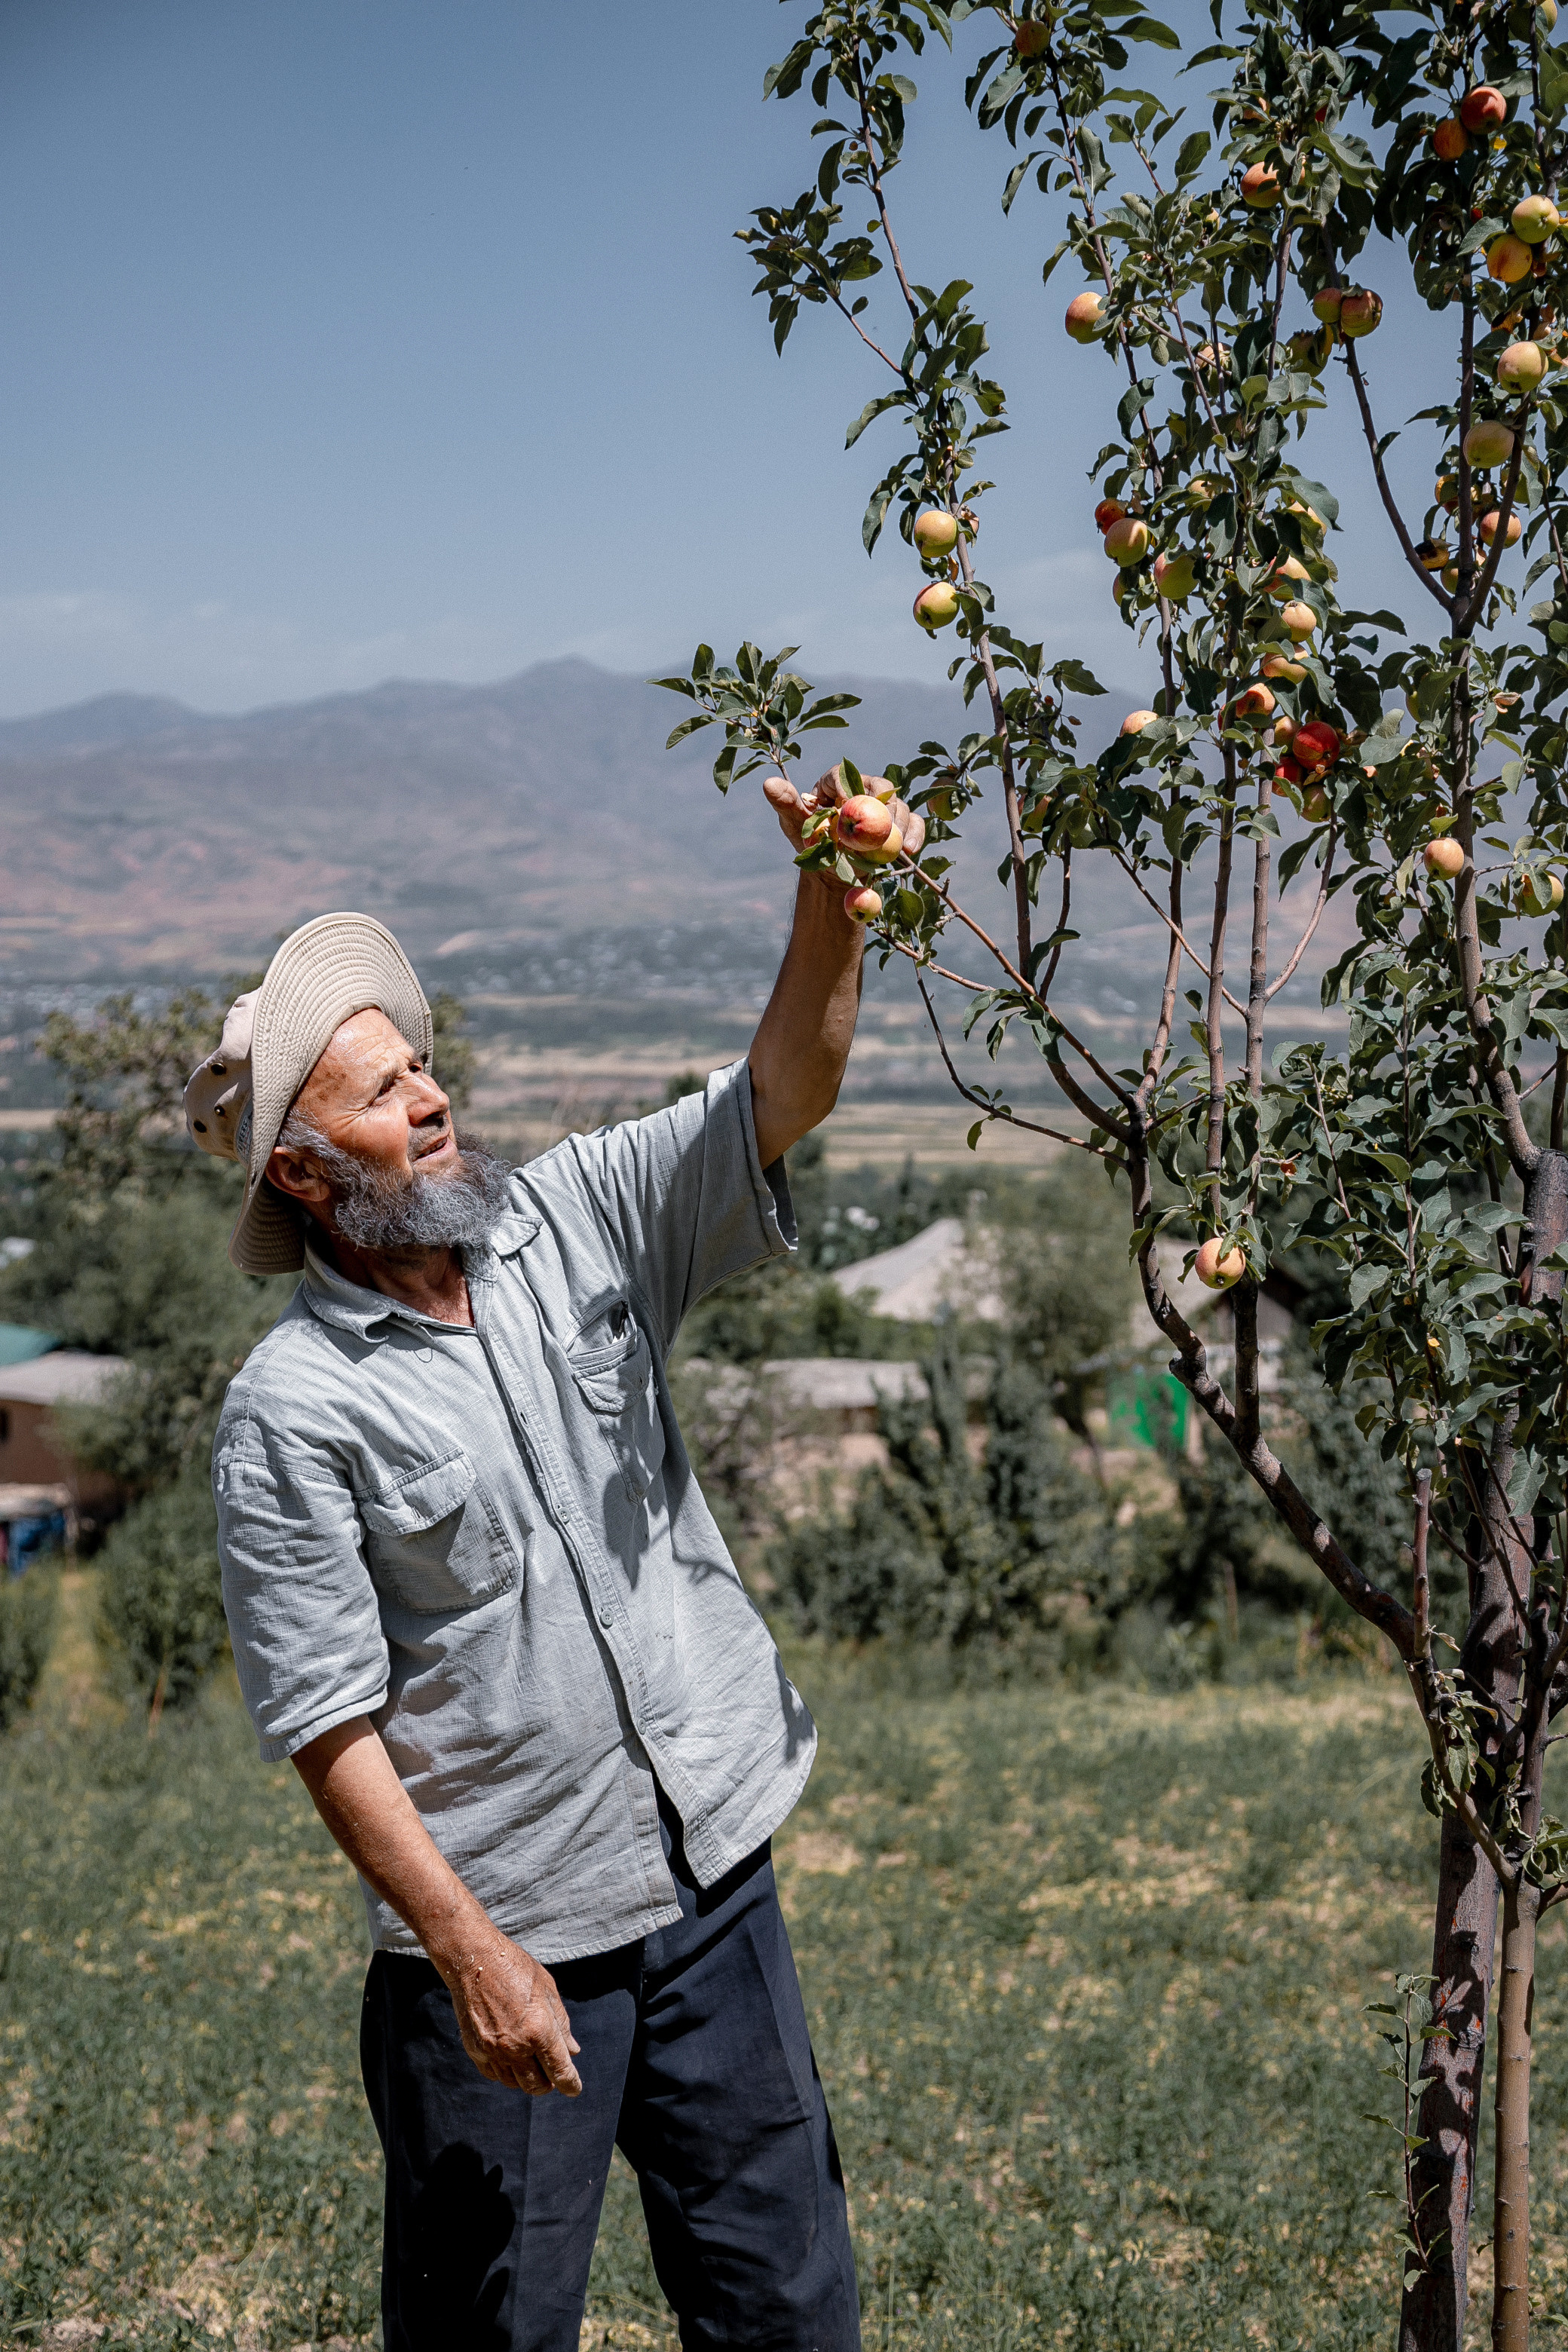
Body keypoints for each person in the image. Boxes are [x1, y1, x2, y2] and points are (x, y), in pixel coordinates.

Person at [188, 765, 924, 2352]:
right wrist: (473, 1957)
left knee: (789, 2309)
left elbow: (777, 1096)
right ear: (303, 1175)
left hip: (708, 1883)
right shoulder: (294, 1409)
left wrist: (827, 894)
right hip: (509, 1943)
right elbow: (326, 1723)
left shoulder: (576, 1221)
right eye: (380, 1095)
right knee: (489, 2332)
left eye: (424, 1065)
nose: (431, 1100)